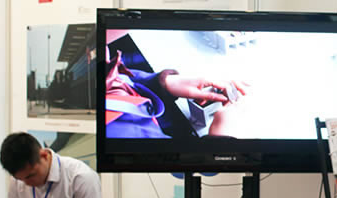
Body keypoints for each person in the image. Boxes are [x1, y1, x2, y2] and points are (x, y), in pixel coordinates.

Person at [105, 33, 247, 138]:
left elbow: (116, 84)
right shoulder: (123, 133)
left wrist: (162, 83)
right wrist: (222, 139)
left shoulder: (100, 62)